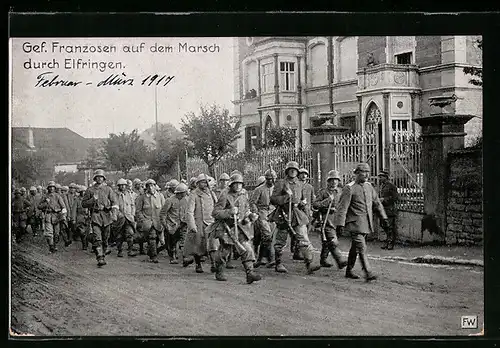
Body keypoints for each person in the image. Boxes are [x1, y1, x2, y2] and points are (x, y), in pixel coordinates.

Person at [333, 163, 389, 282]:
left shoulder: (369, 187)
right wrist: (340, 224)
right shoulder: (349, 188)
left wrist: (384, 218)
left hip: (366, 223)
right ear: (356, 173)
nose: (366, 174)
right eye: (363, 172)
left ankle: (349, 270)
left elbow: (377, 203)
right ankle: (368, 272)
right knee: (362, 247)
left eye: (368, 172)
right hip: (355, 224)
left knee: (355, 248)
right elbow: (342, 207)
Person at [269, 161, 321, 274]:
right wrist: (286, 197)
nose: (293, 171)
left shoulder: (299, 184)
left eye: (295, 170)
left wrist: (302, 203)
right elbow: (273, 199)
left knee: (303, 238)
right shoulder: (281, 183)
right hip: (283, 213)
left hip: (296, 214)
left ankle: (309, 263)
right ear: (287, 171)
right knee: (280, 240)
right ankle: (278, 263)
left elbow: (301, 198)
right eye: (290, 169)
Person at [209, 173, 261, 284]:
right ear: (231, 184)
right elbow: (215, 213)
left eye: (240, 184)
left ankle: (250, 273)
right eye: (235, 184)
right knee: (224, 251)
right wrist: (229, 212)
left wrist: (250, 216)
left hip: (241, 227)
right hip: (227, 228)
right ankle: (219, 270)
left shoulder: (243, 195)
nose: (238, 186)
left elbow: (245, 210)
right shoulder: (225, 195)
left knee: (247, 248)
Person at [82, 169, 119, 267]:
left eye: (101, 177)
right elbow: (84, 204)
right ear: (95, 178)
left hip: (106, 216)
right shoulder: (90, 190)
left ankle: (104, 250)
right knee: (97, 238)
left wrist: (113, 212)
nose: (99, 179)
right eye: (98, 177)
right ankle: (100, 258)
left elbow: (114, 202)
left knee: (106, 238)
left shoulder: (108, 189)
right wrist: (92, 200)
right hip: (95, 216)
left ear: (104, 178)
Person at [313, 170, 347, 269]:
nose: (334, 182)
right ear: (328, 181)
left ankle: (323, 259)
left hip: (338, 220)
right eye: (332, 180)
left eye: (336, 180)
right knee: (332, 241)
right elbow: (316, 205)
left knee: (327, 242)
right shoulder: (323, 192)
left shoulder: (341, 192)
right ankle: (339, 260)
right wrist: (328, 200)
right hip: (327, 220)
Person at [184, 174, 215, 273]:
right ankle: (198, 264)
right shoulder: (194, 194)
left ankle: (214, 263)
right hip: (199, 222)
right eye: (203, 182)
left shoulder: (211, 193)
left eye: (207, 182)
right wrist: (192, 225)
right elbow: (189, 211)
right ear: (198, 183)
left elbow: (217, 206)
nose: (205, 184)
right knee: (198, 245)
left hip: (211, 222)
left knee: (213, 244)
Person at [135, 179, 165, 263]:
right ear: (146, 187)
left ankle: (151, 252)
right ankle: (154, 256)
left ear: (155, 186)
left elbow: (164, 209)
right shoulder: (142, 197)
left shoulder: (160, 196)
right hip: (147, 222)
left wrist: (163, 219)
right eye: (149, 186)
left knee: (159, 241)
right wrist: (143, 219)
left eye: (152, 185)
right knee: (152, 237)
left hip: (158, 222)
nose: (151, 187)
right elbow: (138, 210)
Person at [250, 171, 276, 268]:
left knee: (268, 238)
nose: (271, 181)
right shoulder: (259, 189)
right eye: (269, 179)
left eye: (273, 179)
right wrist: (256, 212)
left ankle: (260, 258)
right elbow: (252, 202)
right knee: (267, 235)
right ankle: (272, 258)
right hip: (262, 213)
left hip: (273, 214)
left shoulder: (277, 189)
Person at [160, 182, 189, 264]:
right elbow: (163, 214)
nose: (186, 193)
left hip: (183, 224)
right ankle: (172, 257)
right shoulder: (169, 200)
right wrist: (165, 225)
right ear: (180, 192)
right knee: (171, 243)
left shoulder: (186, 200)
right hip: (171, 225)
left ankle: (184, 258)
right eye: (184, 192)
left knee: (183, 242)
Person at [38, 181, 66, 253]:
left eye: (52, 187)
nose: (51, 188)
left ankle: (55, 245)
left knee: (56, 233)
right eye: (50, 187)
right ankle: (51, 247)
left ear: (54, 188)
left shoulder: (58, 196)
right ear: (48, 188)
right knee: (49, 233)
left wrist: (63, 215)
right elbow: (39, 206)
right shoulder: (45, 196)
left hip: (56, 216)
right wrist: (45, 203)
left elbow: (63, 207)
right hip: (48, 216)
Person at [114, 178, 138, 257]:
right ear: (118, 186)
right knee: (119, 235)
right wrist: (118, 214)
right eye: (120, 185)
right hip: (120, 218)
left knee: (130, 233)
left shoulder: (129, 194)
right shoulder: (115, 194)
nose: (122, 187)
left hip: (129, 217)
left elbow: (132, 205)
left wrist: (132, 214)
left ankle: (130, 250)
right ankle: (119, 250)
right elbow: (114, 206)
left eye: (124, 185)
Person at [378, 170, 399, 250]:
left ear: (386, 177)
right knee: (384, 226)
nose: (380, 178)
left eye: (381, 177)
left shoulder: (391, 186)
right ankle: (387, 241)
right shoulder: (382, 186)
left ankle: (391, 243)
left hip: (390, 210)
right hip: (383, 210)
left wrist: (384, 199)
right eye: (379, 177)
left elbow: (395, 197)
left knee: (390, 227)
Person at [74, 185, 90, 251]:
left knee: (88, 232)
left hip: (88, 217)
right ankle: (84, 245)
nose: (83, 193)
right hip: (80, 217)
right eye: (82, 192)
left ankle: (86, 243)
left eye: (84, 192)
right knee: (82, 232)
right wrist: (73, 219)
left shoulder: (89, 199)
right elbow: (74, 210)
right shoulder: (77, 200)